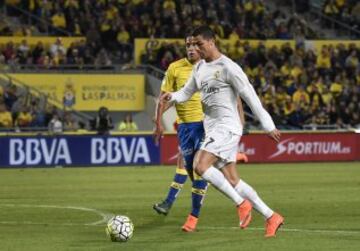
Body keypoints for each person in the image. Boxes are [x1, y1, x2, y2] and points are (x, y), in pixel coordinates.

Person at [161, 26, 284, 237]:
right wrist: (171, 96)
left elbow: (251, 97)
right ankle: (271, 216)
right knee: (233, 180)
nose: (195, 48)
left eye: (199, 44)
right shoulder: (199, 69)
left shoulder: (229, 67)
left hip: (227, 127)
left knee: (200, 166)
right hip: (213, 129)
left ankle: (240, 204)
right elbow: (186, 92)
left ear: (211, 42)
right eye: (192, 44)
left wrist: (268, 125)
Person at [153, 34, 208, 232]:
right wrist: (158, 122)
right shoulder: (175, 68)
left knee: (197, 166)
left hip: (205, 125)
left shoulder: (211, 67)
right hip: (184, 126)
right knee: (187, 166)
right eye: (188, 45)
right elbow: (166, 99)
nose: (191, 48)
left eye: (195, 45)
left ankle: (189, 214)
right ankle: (169, 203)